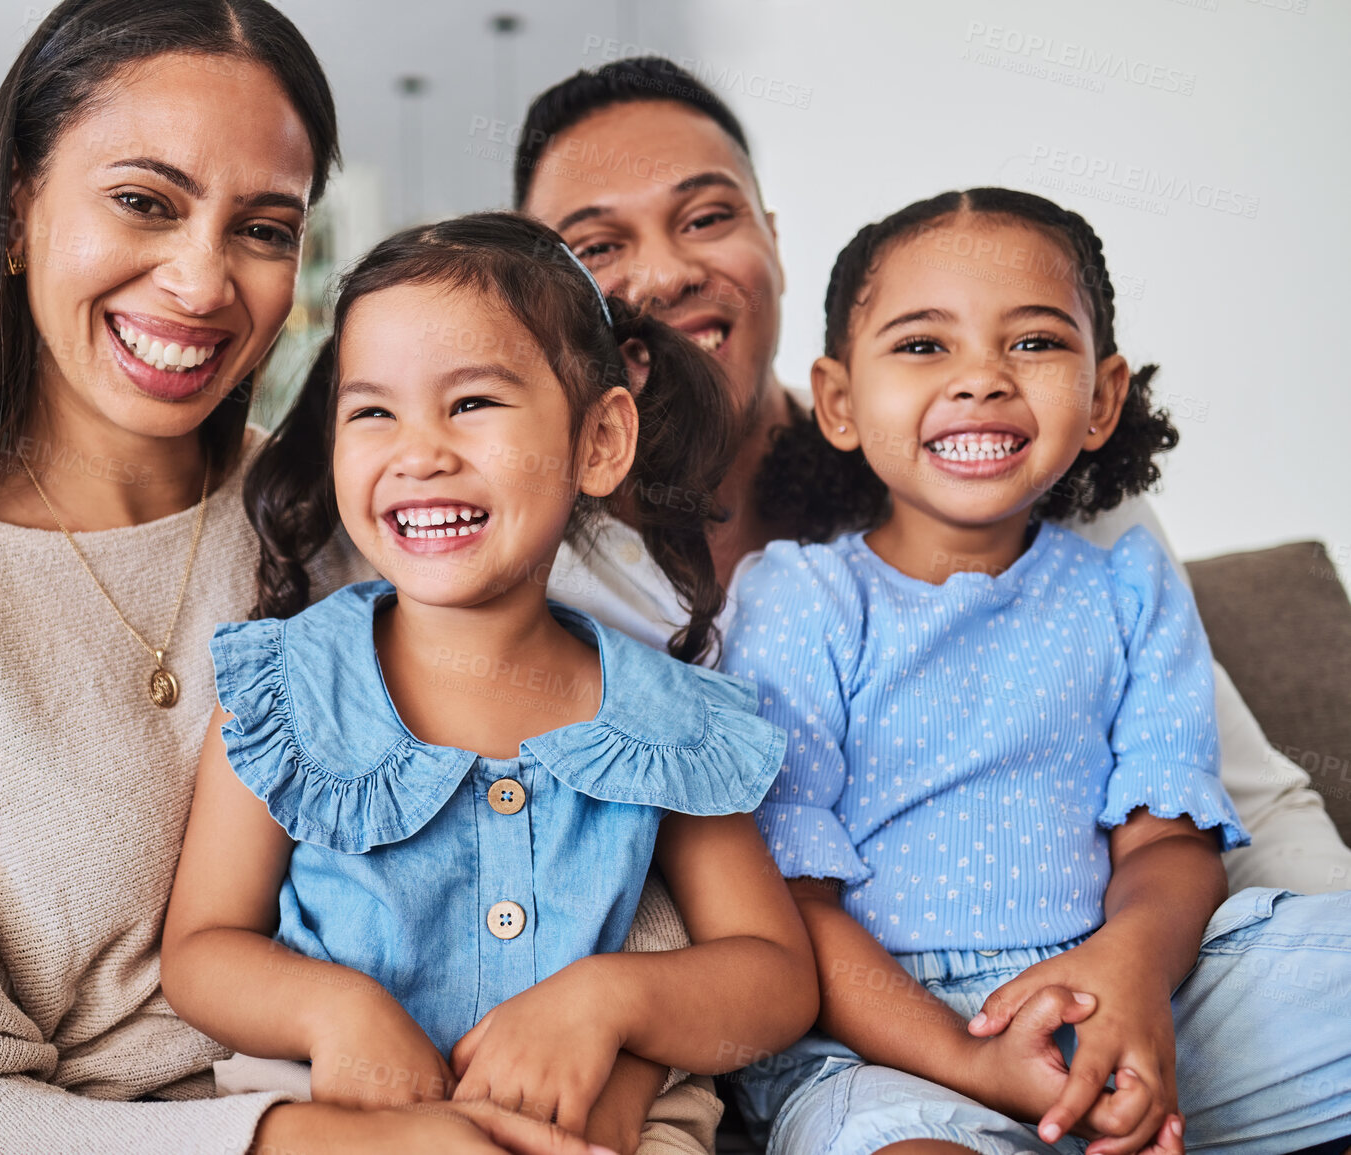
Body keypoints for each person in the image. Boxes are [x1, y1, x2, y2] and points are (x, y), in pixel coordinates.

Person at [0, 2, 661, 1152]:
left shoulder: (371, 526)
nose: (204, 284)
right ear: (18, 206)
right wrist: (300, 1144)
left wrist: (627, 1057)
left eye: (263, 228)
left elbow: (608, 827)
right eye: (144, 202)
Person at [511, 56, 1351, 897]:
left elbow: (1246, 805)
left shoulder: (1010, 460)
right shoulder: (513, 557)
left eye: (706, 217)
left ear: (771, 236)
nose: (665, 273)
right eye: (596, 245)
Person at [158, 212, 820, 1154]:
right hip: (345, 1122)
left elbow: (775, 980)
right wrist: (333, 1011)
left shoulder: (663, 716)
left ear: (598, 441)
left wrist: (609, 1003)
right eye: (372, 411)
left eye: (471, 402)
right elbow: (201, 948)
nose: (419, 451)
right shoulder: (289, 686)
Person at [724, 187, 1351, 1155]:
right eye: (924, 345)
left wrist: (1128, 980)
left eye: (1034, 343)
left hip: (1143, 993)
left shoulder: (1127, 587)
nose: (982, 379)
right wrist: (973, 1061)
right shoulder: (800, 598)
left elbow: (1164, 843)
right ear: (840, 401)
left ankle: (1120, 1099)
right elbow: (792, 900)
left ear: (1103, 399)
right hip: (891, 1043)